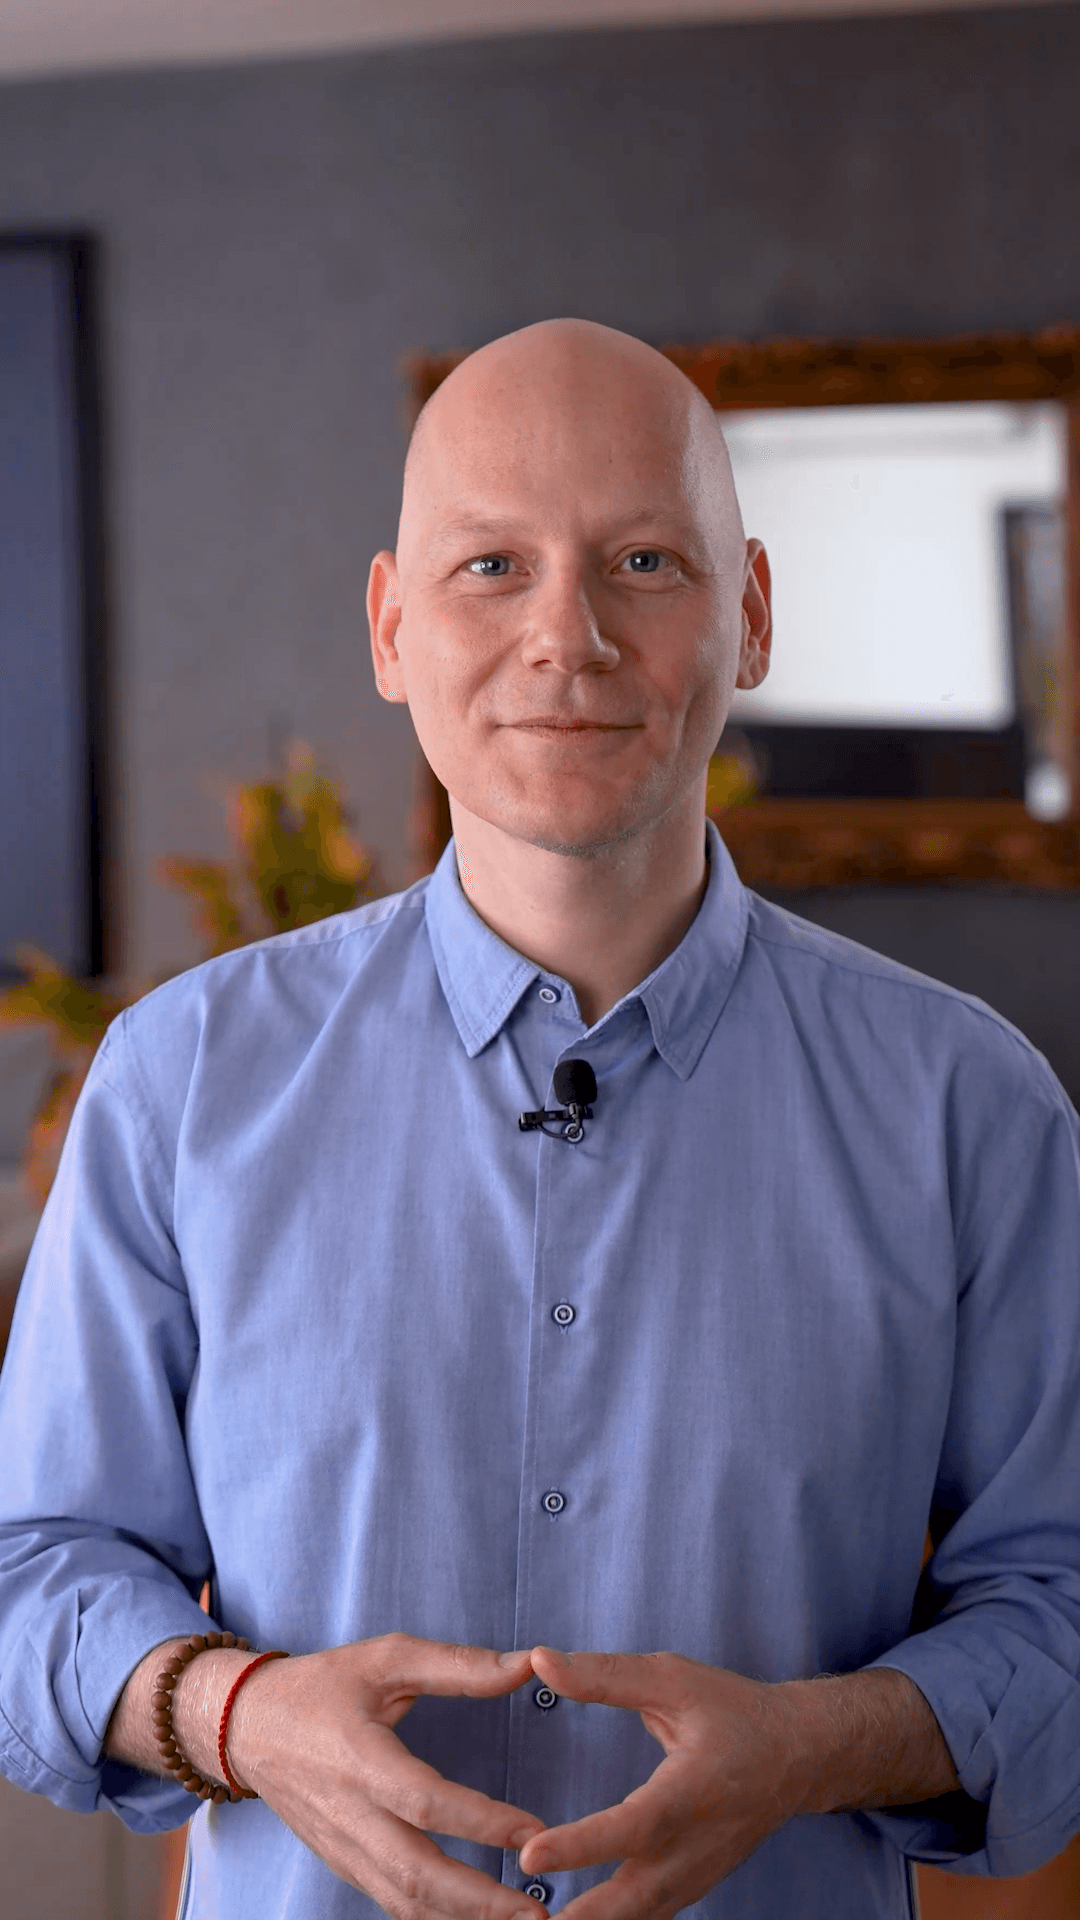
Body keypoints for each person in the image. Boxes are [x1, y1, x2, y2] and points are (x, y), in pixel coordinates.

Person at [0, 319, 1078, 1920]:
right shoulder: (175, 1084)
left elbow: (1057, 1608)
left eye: (644, 560)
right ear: (388, 626)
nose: (565, 636)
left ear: (753, 614)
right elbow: (33, 1575)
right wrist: (237, 1714)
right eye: (490, 566)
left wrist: (817, 1745)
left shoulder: (975, 1109)